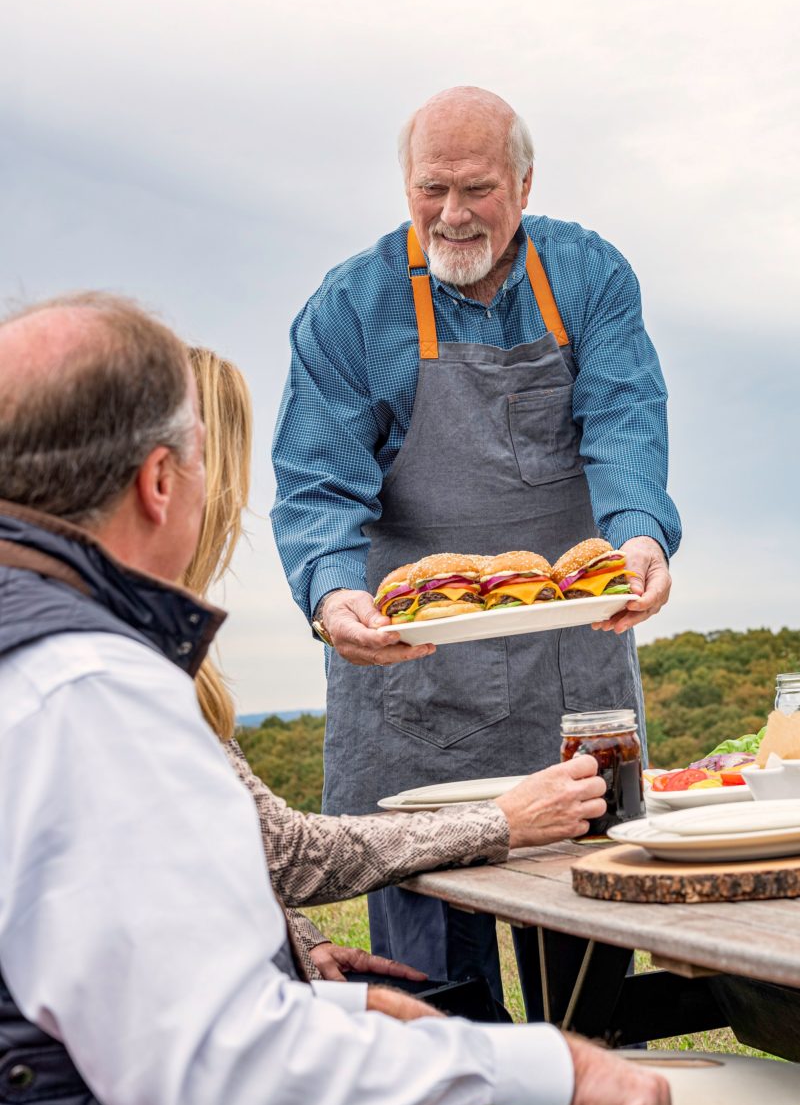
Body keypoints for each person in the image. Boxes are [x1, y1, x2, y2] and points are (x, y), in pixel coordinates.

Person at [0, 293, 673, 1105]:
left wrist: (325, 985)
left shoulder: (42, 659)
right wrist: (546, 1069)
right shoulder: (95, 693)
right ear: (161, 484)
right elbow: (224, 1072)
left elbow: (110, 976)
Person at [271, 85, 681, 1001]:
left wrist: (641, 534)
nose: (452, 214)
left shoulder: (589, 278)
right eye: (431, 189)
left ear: (525, 184)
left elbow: (624, 418)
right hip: (411, 687)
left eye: (477, 189)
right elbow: (316, 483)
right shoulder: (350, 308)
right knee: (433, 997)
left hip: (571, 676)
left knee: (586, 976)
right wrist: (332, 593)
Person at [186, 346, 607, 986]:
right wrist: (503, 821)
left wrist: (292, 935)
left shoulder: (148, 644)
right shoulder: (116, 659)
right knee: (448, 1010)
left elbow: (200, 849)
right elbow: (286, 854)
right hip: (138, 1046)